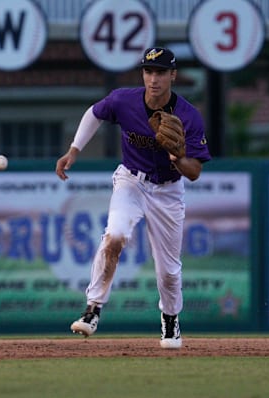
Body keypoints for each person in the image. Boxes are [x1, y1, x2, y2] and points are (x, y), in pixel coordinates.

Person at [55, 47, 211, 349]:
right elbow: (95, 113)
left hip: (168, 189)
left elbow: (194, 173)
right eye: (149, 72)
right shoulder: (124, 100)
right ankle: (92, 309)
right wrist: (74, 150)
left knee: (168, 271)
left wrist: (178, 157)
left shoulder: (189, 116)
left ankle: (170, 320)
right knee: (115, 236)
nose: (154, 79)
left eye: (161, 72)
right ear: (143, 74)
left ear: (173, 76)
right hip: (131, 181)